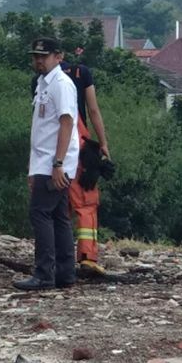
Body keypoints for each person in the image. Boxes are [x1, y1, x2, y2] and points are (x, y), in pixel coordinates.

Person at [14, 37, 79, 291]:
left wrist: (58, 163)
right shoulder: (43, 83)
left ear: (58, 56)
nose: (39, 60)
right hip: (44, 159)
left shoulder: (61, 84)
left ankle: (44, 273)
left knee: (40, 213)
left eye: (44, 56)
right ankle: (64, 272)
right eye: (36, 56)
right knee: (58, 215)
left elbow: (66, 122)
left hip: (54, 160)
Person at [61, 52, 112, 277]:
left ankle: (55, 255)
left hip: (49, 147)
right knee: (86, 202)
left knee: (58, 204)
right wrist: (103, 145)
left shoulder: (41, 79)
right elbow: (93, 111)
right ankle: (87, 258)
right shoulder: (80, 73)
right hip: (77, 144)